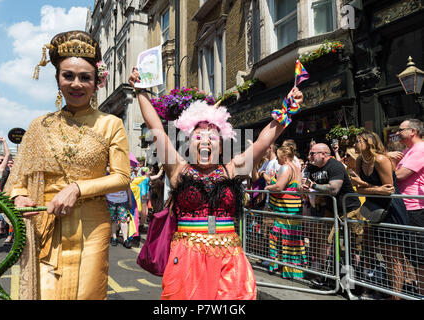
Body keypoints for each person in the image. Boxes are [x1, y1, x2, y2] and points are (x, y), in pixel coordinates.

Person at [129, 67, 303, 300]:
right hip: (187, 258)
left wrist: (288, 108)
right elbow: (157, 128)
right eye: (198, 137)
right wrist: (140, 91)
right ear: (188, 144)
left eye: (212, 137)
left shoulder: (231, 169)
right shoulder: (179, 169)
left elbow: (264, 139)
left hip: (229, 258)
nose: (205, 141)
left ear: (221, 146)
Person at [4, 30, 130, 300]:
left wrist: (77, 188)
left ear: (97, 82)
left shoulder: (111, 124)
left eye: (85, 78)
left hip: (93, 225)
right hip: (44, 223)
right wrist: (19, 197)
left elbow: (121, 177)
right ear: (57, 79)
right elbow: (16, 182)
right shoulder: (40, 126)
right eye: (68, 76)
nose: (76, 84)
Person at [351, 130, 409, 299]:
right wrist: (370, 188)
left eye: (358, 141)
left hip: (391, 209)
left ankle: (396, 296)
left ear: (369, 143)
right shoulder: (360, 160)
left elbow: (388, 190)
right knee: (384, 251)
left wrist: (366, 187)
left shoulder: (381, 160)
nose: (354, 144)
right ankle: (389, 291)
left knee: (394, 254)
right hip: (374, 209)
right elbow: (360, 189)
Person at [301, 143, 363, 286]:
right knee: (329, 244)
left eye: (312, 153)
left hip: (350, 209)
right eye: (310, 153)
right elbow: (301, 185)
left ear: (324, 154)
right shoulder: (310, 167)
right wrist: (303, 186)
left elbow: (334, 189)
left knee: (351, 247)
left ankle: (351, 284)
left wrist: (313, 186)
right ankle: (331, 279)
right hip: (331, 210)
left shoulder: (335, 165)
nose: (309, 156)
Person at [265, 146, 307, 279]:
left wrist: (268, 186)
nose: (277, 160)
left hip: (285, 210)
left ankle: (282, 268)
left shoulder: (286, 167)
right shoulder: (296, 167)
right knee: (291, 240)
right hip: (294, 209)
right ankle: (292, 270)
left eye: (278, 157)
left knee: (278, 238)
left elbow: (279, 186)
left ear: (284, 157)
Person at [394, 119, 424, 296]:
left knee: (419, 253)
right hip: (406, 206)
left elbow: (401, 175)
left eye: (401, 130)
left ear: (413, 131)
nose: (397, 133)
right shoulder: (408, 151)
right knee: (412, 252)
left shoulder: (420, 149)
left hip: (416, 207)